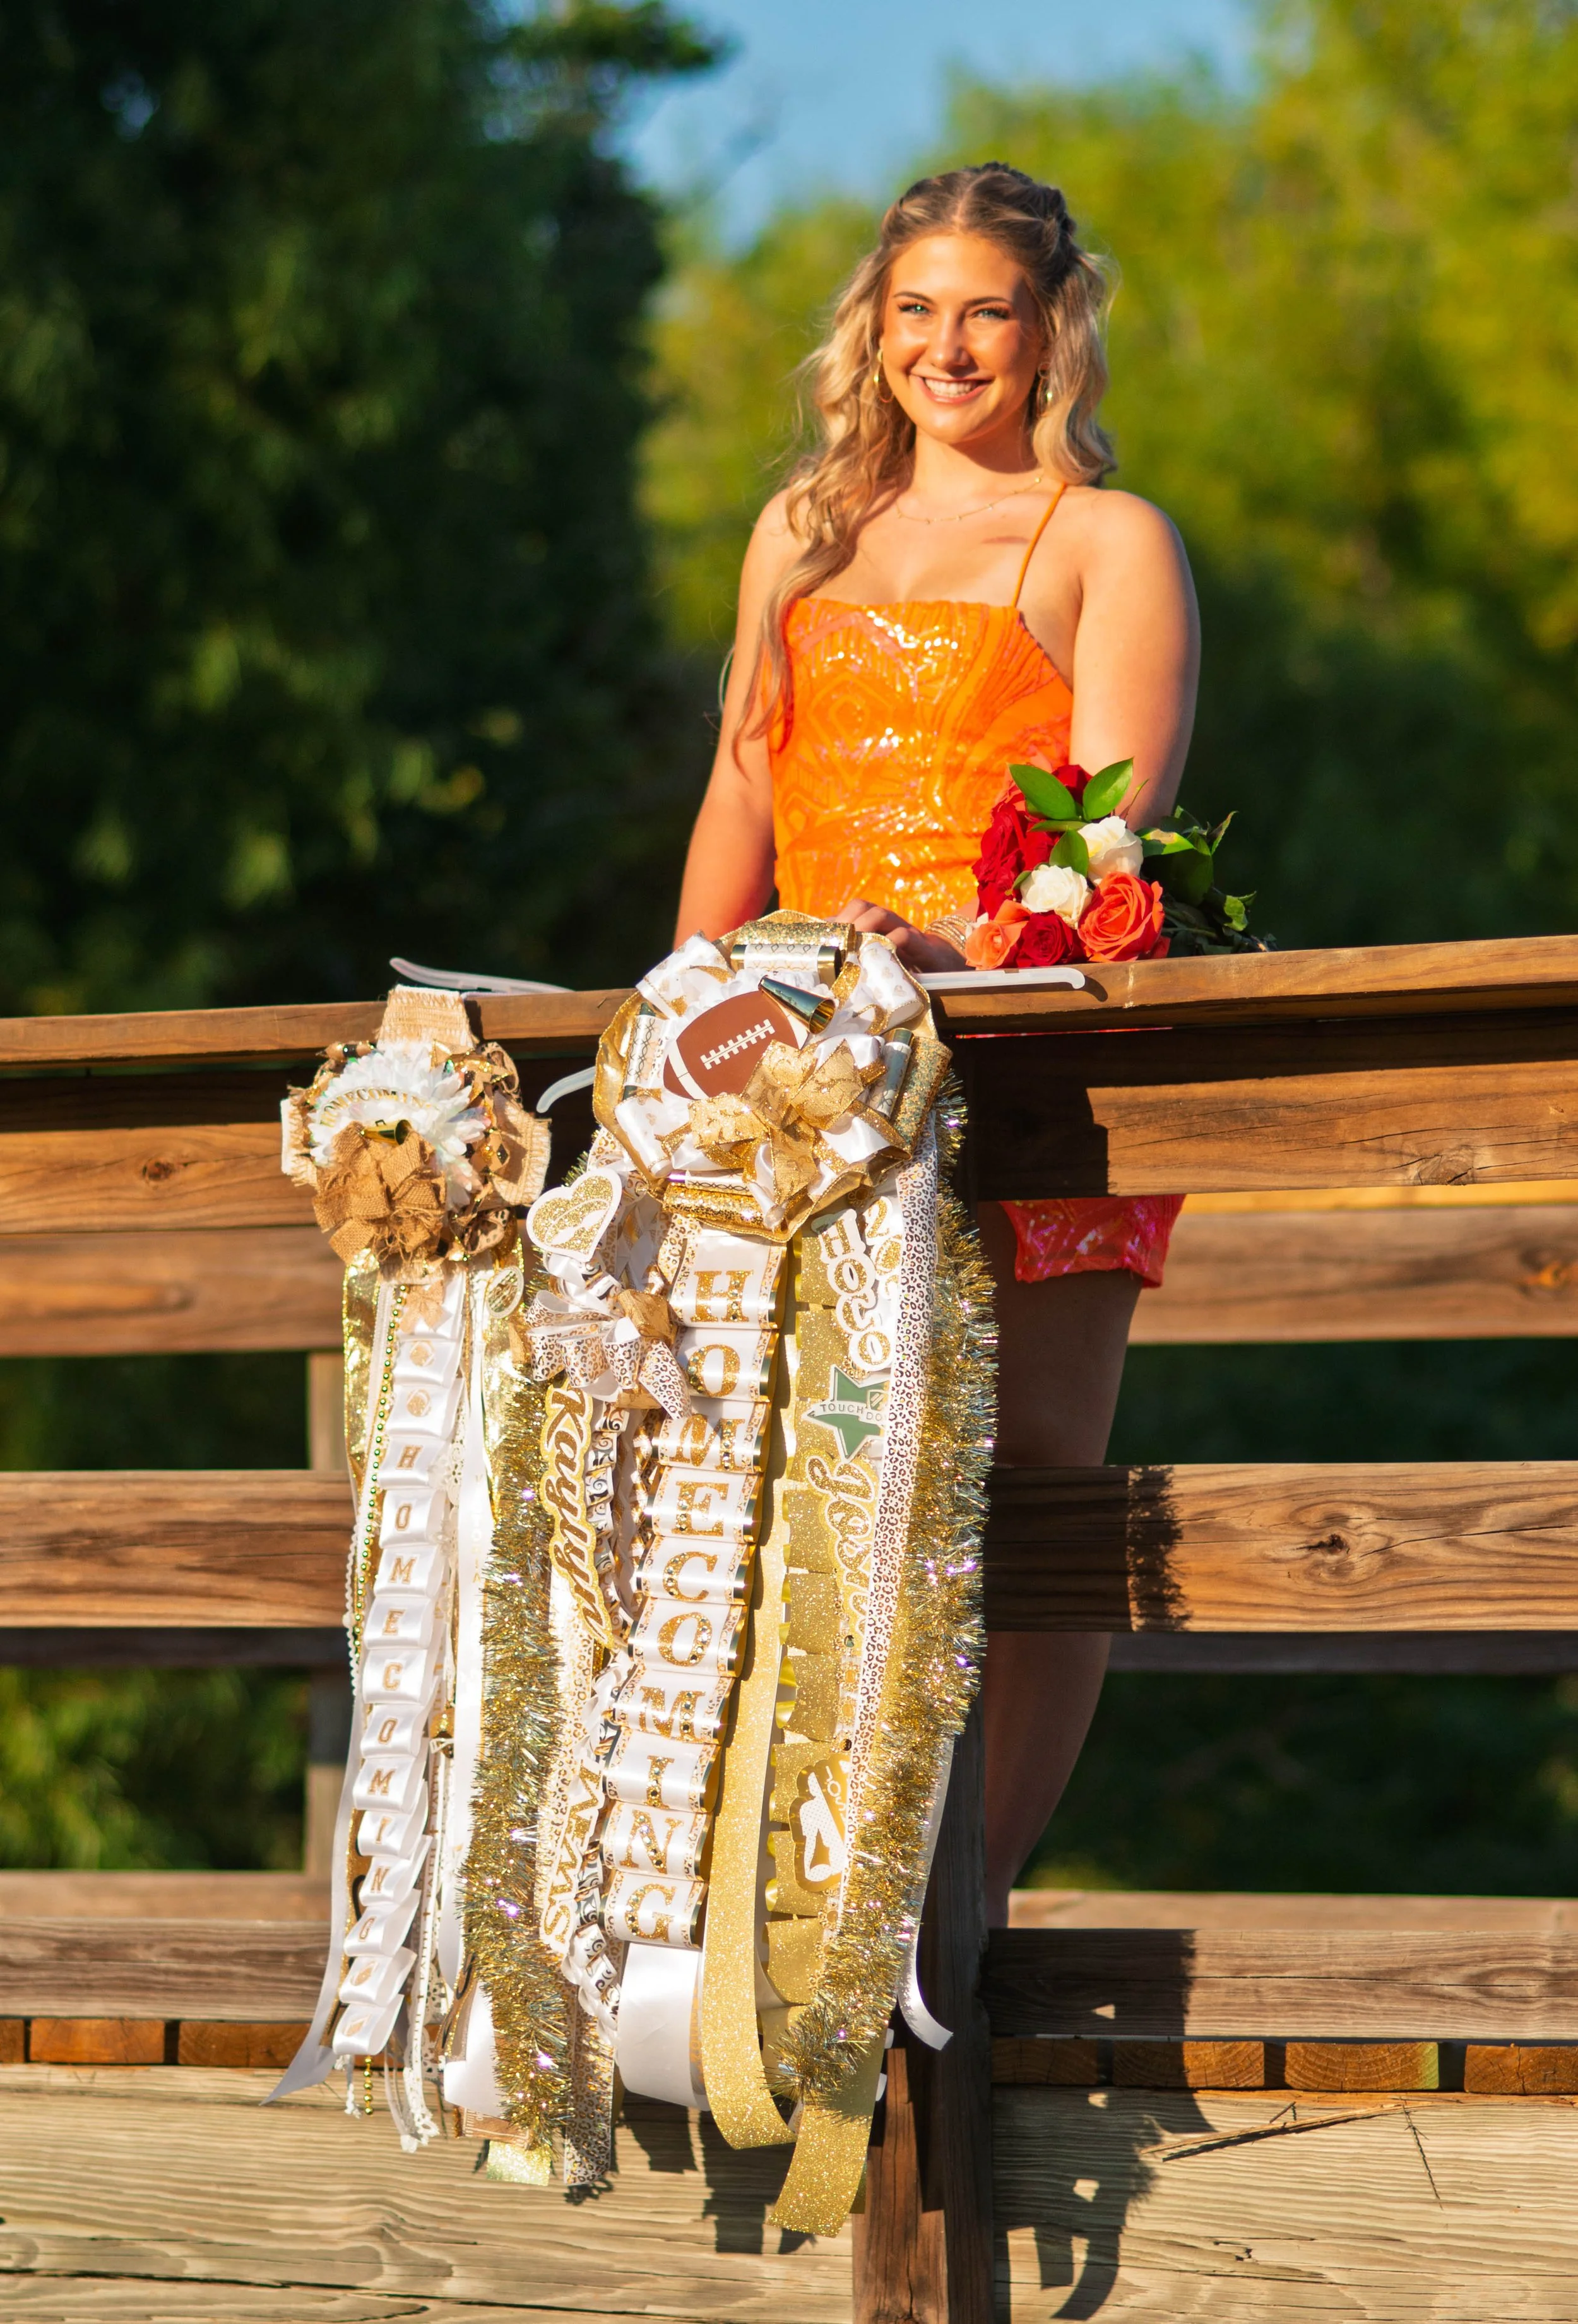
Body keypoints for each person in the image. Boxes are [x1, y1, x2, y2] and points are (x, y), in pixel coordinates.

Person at [674, 162, 1200, 1924]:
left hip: (1035, 1086)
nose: (945, 343)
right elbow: (743, 790)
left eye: (985, 307)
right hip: (803, 1095)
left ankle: (951, 1914)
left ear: (1051, 326)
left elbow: (1106, 836)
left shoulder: (1102, 543)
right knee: (795, 1477)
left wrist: (955, 957)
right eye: (913, 309)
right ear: (869, 329)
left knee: (1036, 1502)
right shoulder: (800, 534)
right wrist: (689, 1021)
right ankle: (799, 1900)